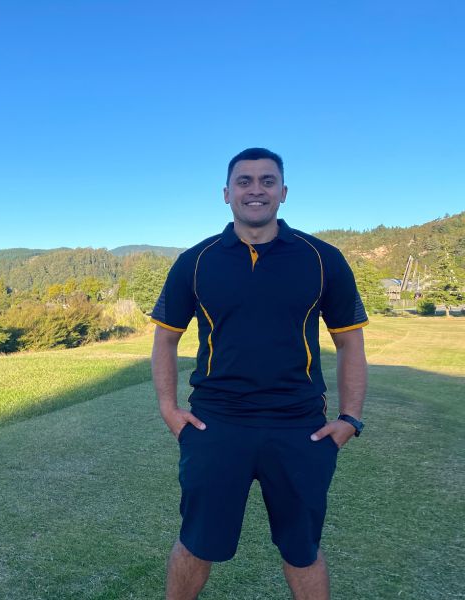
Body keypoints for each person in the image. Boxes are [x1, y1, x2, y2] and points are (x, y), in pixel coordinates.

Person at [150, 148, 368, 600]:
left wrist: (349, 418)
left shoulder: (322, 258)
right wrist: (169, 410)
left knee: (302, 549)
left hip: (300, 427)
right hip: (215, 424)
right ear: (226, 193)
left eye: (267, 181)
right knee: (196, 543)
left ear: (283, 193)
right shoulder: (196, 261)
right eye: (244, 181)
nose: (256, 190)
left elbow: (349, 342)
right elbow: (165, 339)